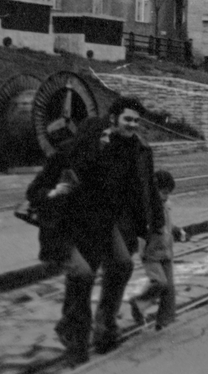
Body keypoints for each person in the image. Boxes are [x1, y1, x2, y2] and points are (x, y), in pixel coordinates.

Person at [60, 96, 162, 358]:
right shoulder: (95, 137)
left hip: (115, 221)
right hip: (85, 218)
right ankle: (74, 334)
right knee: (83, 276)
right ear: (114, 117)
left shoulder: (138, 148)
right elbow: (71, 170)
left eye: (137, 121)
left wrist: (152, 225)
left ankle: (104, 326)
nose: (132, 125)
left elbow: (146, 189)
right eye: (128, 119)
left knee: (121, 266)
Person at [23, 122, 90, 364]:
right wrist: (54, 192)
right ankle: (68, 328)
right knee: (82, 275)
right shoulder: (57, 161)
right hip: (59, 233)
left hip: (82, 231)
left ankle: (73, 337)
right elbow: (33, 192)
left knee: (79, 281)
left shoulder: (90, 160)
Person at [130, 170, 188, 330]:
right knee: (159, 282)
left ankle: (165, 321)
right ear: (154, 191)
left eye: (168, 193)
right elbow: (142, 227)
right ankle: (138, 304)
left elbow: (168, 225)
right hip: (151, 253)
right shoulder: (148, 208)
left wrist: (176, 230)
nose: (166, 197)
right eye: (163, 193)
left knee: (169, 288)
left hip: (166, 252)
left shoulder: (166, 205)